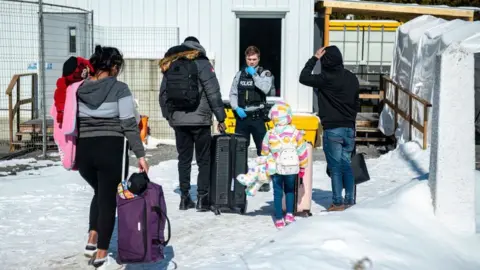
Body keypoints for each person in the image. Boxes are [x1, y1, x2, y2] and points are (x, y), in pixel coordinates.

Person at [75, 45, 149, 269]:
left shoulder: (78, 88)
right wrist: (141, 155)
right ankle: (102, 252)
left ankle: (92, 236)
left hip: (84, 151)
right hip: (110, 149)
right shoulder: (120, 89)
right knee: (108, 199)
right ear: (114, 67)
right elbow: (128, 123)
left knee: (100, 191)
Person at [159, 36, 226, 212]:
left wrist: (170, 117)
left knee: (184, 159)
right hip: (201, 120)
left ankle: (184, 197)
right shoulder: (203, 63)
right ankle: (203, 199)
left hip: (179, 121)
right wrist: (221, 117)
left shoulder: (172, 63)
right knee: (204, 159)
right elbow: (213, 92)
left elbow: (163, 94)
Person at [299, 45, 360, 212]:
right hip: (349, 128)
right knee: (346, 164)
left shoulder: (325, 78)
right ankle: (349, 199)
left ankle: (337, 202)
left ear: (325, 60)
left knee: (335, 167)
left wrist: (314, 59)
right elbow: (356, 104)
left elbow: (303, 77)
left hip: (333, 128)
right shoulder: (352, 78)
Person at [229, 45, 274, 192]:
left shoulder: (264, 73)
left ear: (258, 59)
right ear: (245, 59)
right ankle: (243, 177)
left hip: (258, 117)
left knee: (263, 150)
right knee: (240, 149)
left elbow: (265, 89)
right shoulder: (240, 74)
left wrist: (254, 75)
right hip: (242, 117)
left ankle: (264, 180)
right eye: (249, 59)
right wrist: (236, 108)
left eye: (254, 59)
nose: (251, 62)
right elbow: (233, 93)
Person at [261, 101, 308, 228]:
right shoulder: (295, 132)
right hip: (291, 167)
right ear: (288, 117)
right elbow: (302, 151)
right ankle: (289, 215)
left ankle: (278, 218)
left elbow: (264, 151)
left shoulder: (270, 133)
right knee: (290, 190)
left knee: (277, 192)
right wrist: (303, 166)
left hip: (276, 167)